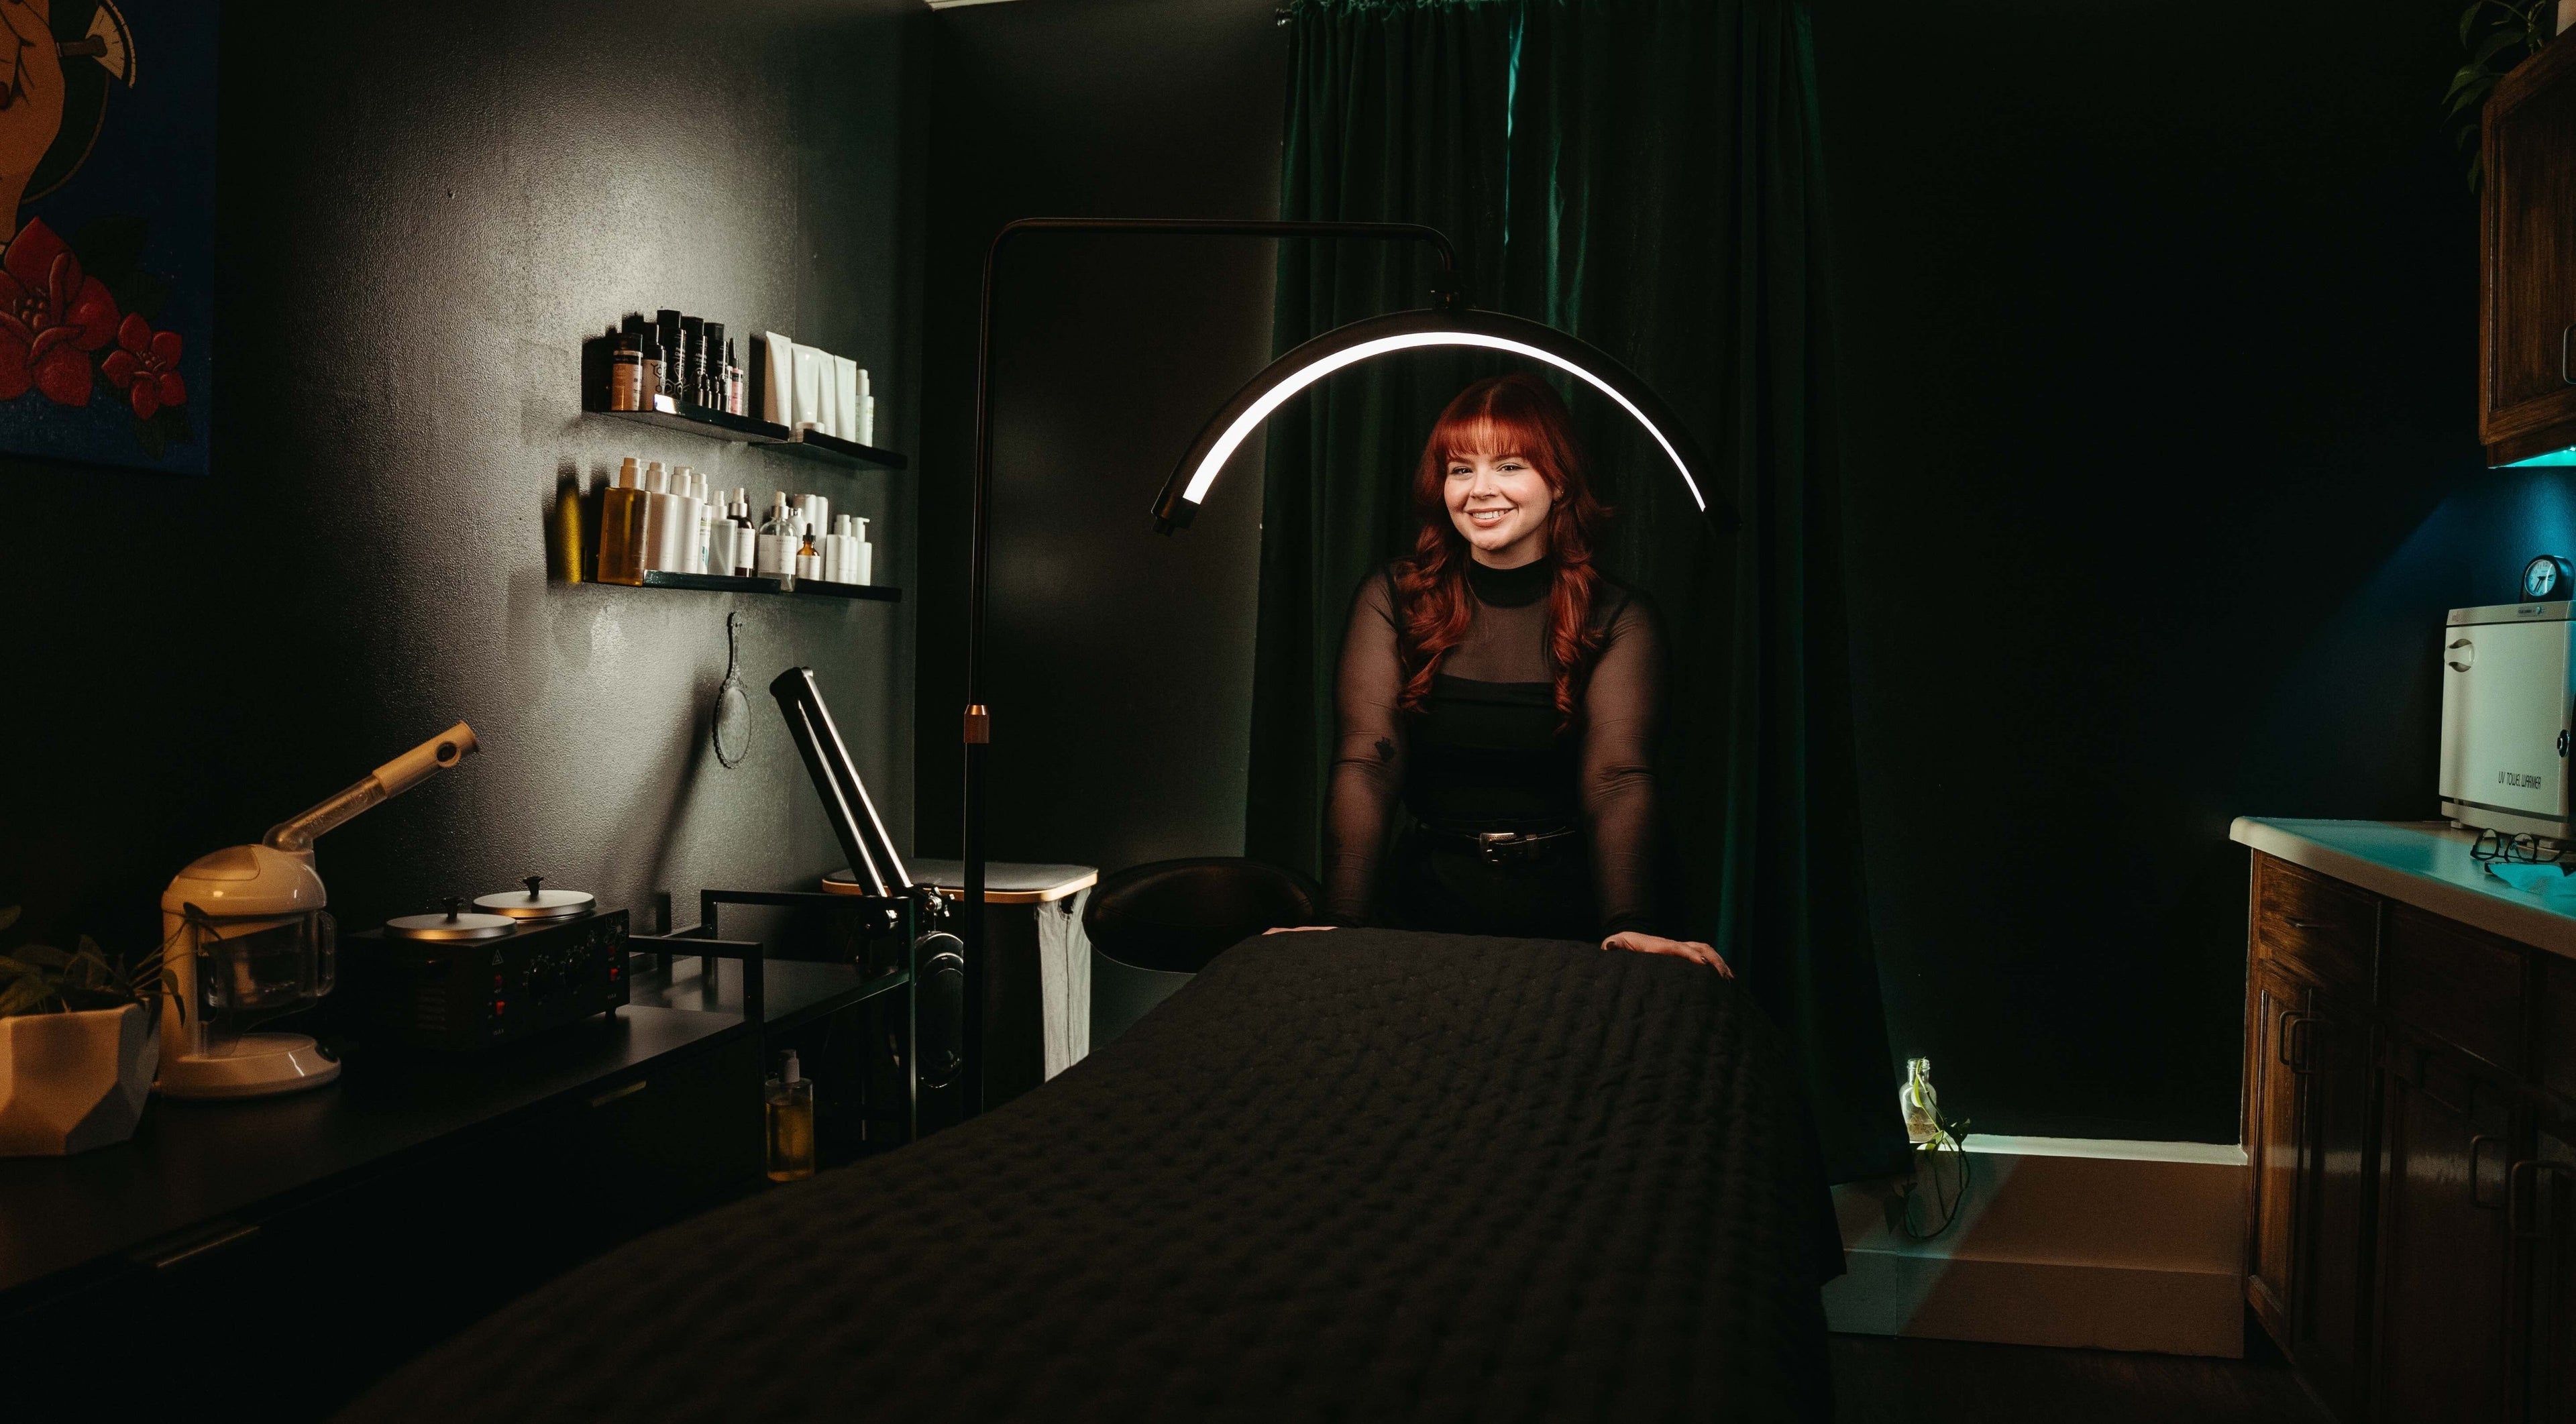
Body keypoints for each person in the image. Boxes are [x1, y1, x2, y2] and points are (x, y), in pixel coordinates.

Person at [1273, 373, 1728, 975]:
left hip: (1571, 920)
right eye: (1461, 470)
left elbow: (1617, 779)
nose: (1479, 490)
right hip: (1423, 911)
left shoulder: (1619, 616)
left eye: (1509, 466)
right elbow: (1368, 761)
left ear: (1559, 481)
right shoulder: (1393, 597)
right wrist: (1344, 922)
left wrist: (1630, 926)